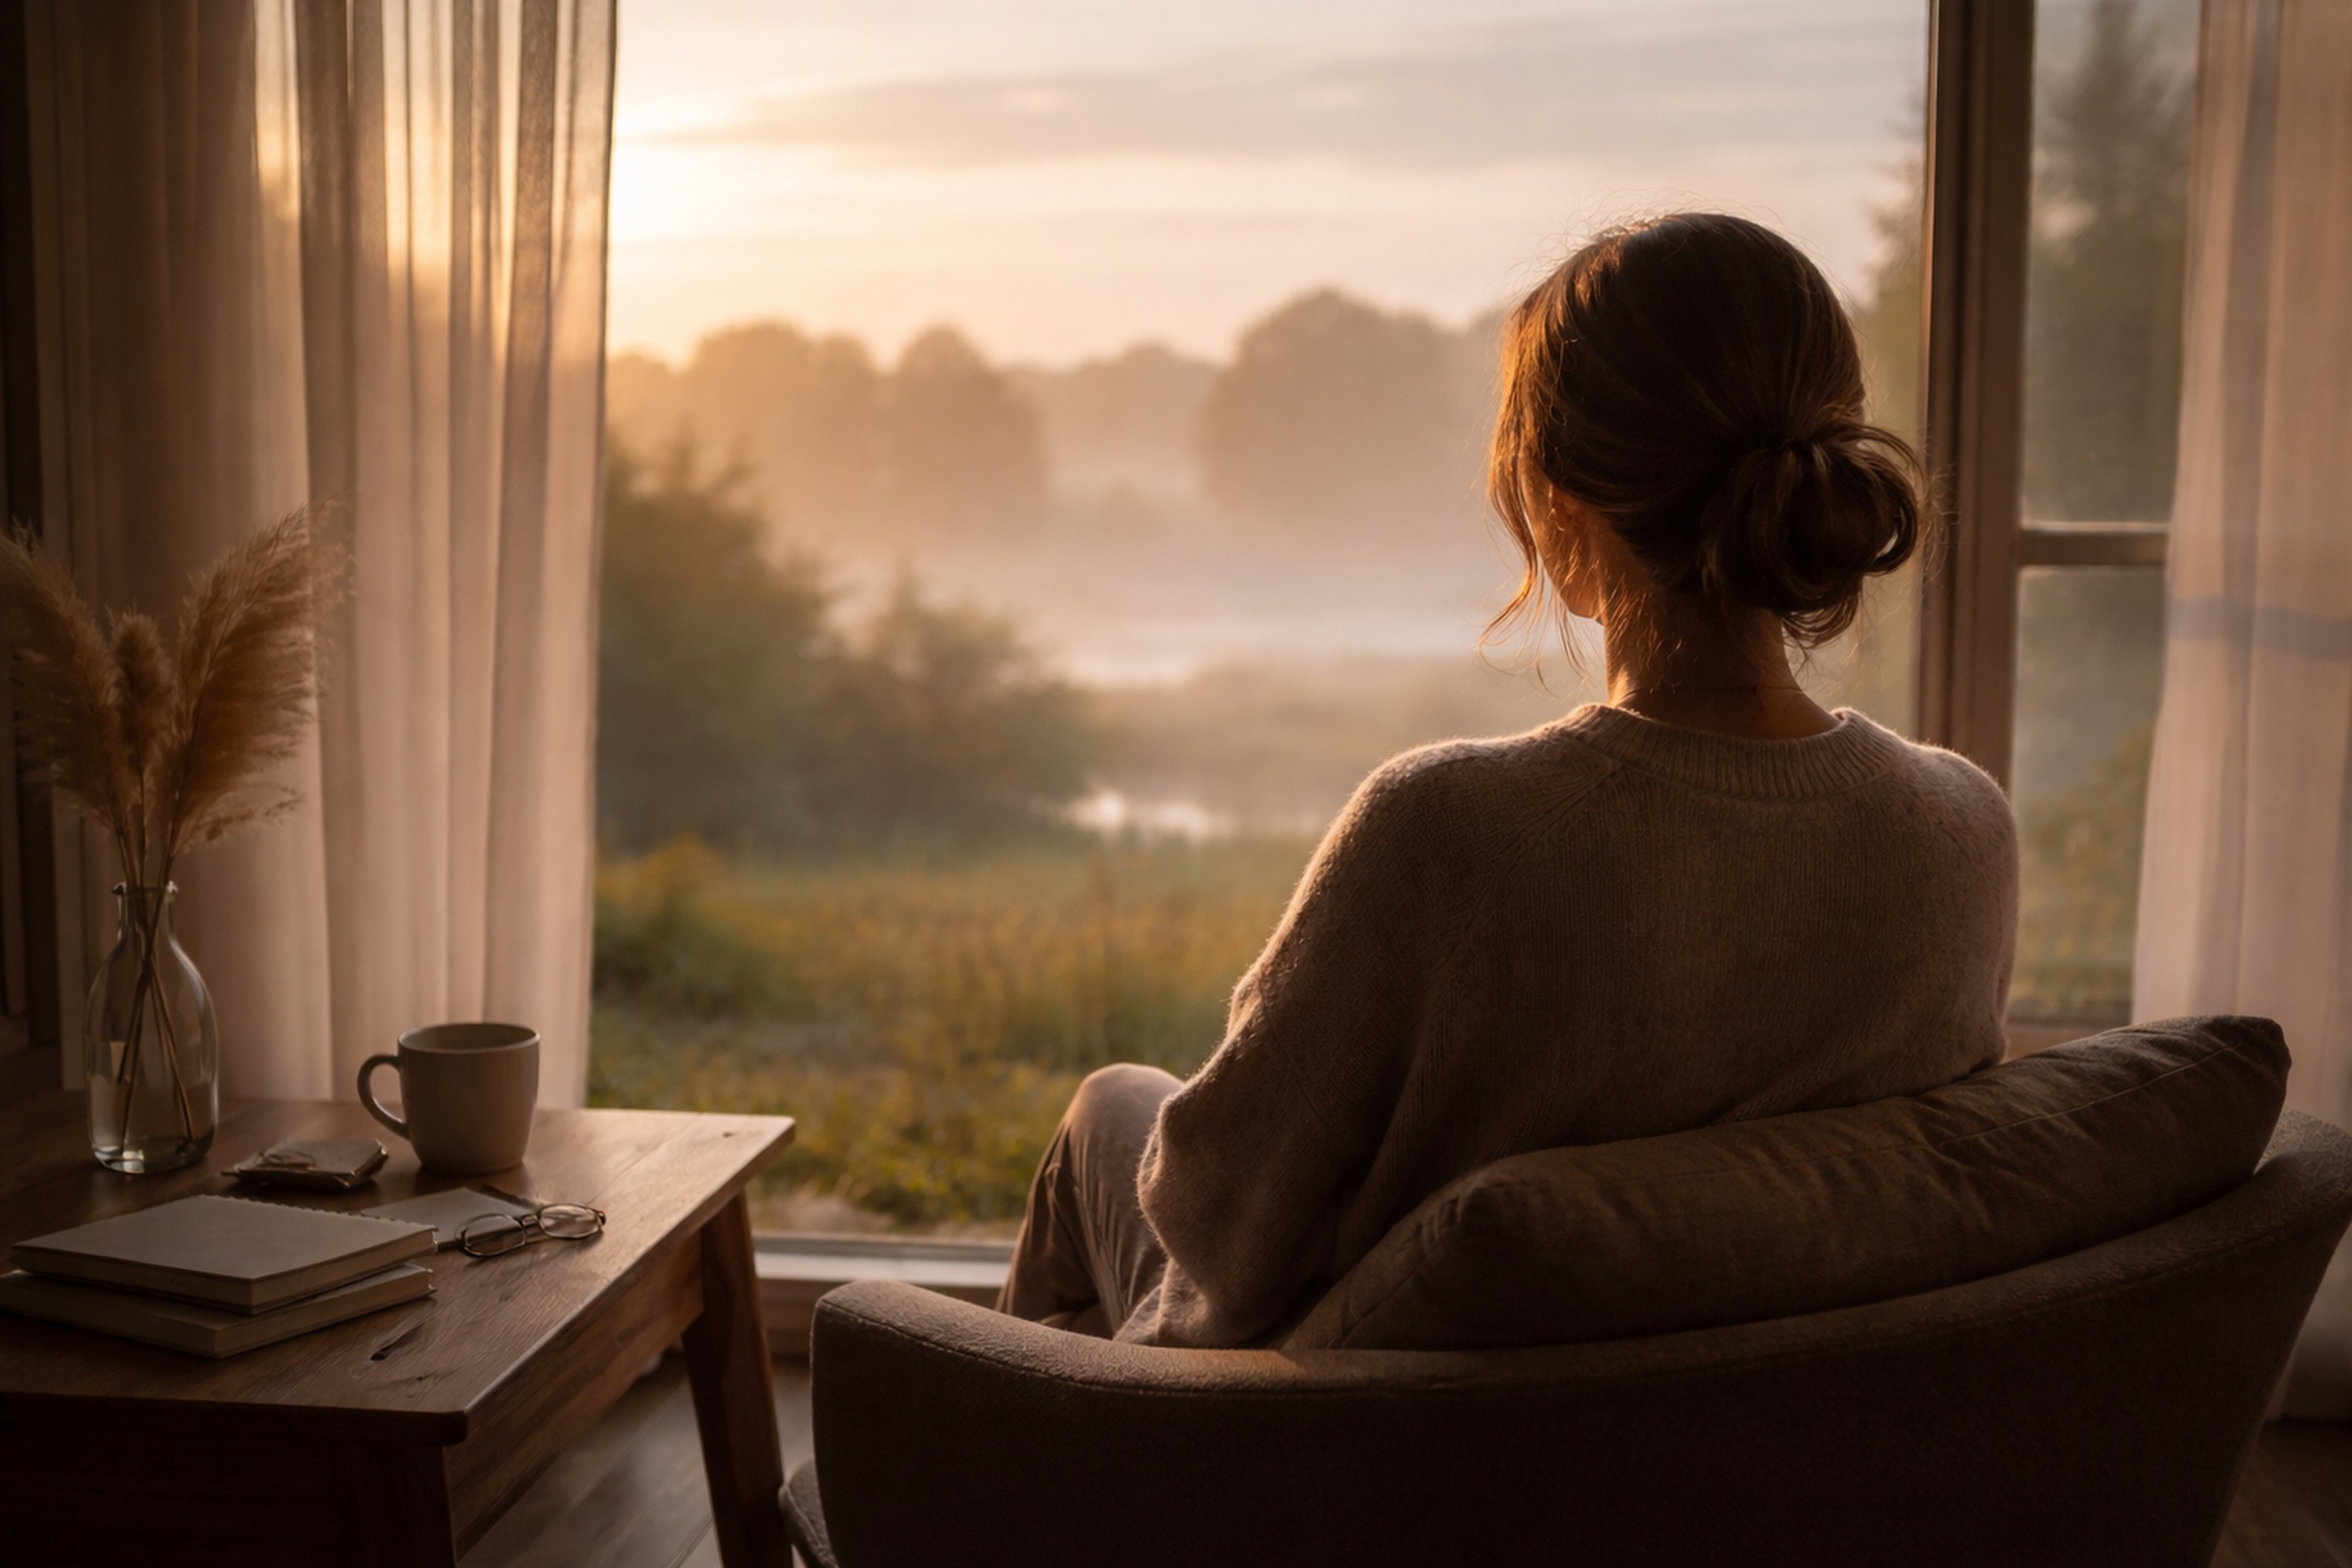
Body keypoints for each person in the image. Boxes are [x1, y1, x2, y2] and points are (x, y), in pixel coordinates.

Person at [998, 212, 2019, 1350]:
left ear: (1554, 502)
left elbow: (1220, 1221)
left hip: (1373, 1478)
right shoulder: (1964, 830)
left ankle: (1045, 1470)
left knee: (1106, 1115)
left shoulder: (1446, 831)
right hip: (1774, 1475)